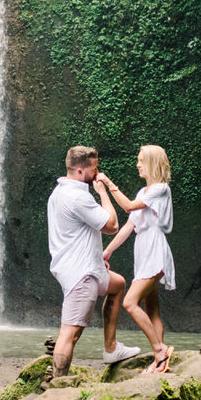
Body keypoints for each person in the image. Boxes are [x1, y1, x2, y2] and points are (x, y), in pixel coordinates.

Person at [48, 145, 141, 376]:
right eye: (94, 169)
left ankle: (111, 348)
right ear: (80, 172)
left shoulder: (58, 193)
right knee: (70, 333)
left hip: (89, 268)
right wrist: (103, 192)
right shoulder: (79, 197)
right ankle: (58, 383)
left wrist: (97, 259)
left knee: (117, 284)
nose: (97, 173)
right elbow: (111, 226)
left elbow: (76, 233)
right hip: (82, 275)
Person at [100, 145, 176, 374]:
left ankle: (160, 349)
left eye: (141, 160)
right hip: (143, 252)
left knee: (129, 302)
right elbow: (128, 227)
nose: (138, 164)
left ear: (153, 162)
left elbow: (128, 207)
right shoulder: (144, 192)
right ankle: (158, 359)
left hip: (155, 250)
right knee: (152, 308)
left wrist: (108, 185)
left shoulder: (161, 189)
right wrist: (107, 251)